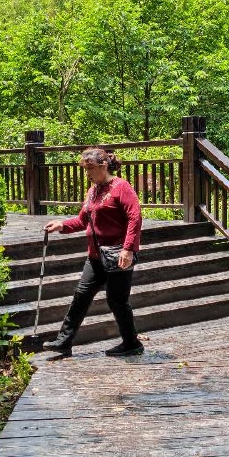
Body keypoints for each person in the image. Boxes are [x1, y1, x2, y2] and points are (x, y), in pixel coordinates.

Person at [42, 147, 144, 358]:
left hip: (117, 255)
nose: (87, 173)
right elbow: (82, 220)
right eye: (85, 169)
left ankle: (131, 343)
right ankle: (63, 342)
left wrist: (128, 249)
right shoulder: (92, 191)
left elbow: (135, 217)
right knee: (81, 295)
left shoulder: (120, 187)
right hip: (95, 257)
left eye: (90, 169)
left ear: (103, 165)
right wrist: (61, 225)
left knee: (117, 301)